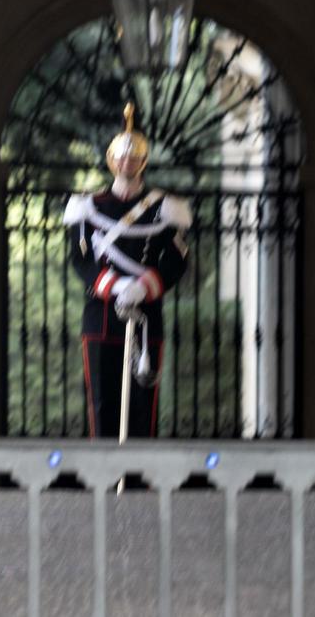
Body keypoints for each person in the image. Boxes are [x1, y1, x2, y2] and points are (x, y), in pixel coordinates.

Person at [64, 105, 191, 439]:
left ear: (143, 161)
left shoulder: (164, 208)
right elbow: (80, 259)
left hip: (145, 315)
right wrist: (111, 284)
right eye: (121, 157)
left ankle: (136, 478)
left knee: (142, 404)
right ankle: (103, 476)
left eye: (134, 158)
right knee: (102, 401)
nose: (127, 163)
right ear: (111, 160)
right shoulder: (89, 207)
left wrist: (146, 286)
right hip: (101, 312)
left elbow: (177, 259)